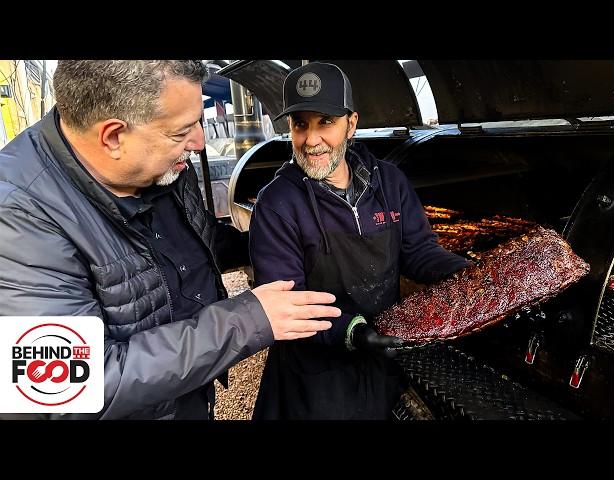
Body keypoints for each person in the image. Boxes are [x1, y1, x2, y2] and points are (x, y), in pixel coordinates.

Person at [0, 60, 341, 420]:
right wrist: (245, 320)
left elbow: (195, 241)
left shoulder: (162, 166)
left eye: (197, 120)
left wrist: (272, 241)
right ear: (114, 136)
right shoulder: (20, 217)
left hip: (186, 398)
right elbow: (68, 387)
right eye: (181, 132)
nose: (199, 142)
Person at [249, 62, 470, 420]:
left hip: (383, 364)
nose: (311, 139)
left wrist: (469, 275)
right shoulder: (277, 205)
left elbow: (418, 252)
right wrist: (353, 331)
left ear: (351, 124)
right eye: (300, 124)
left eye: (325, 122)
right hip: (316, 379)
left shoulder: (390, 182)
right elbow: (288, 308)